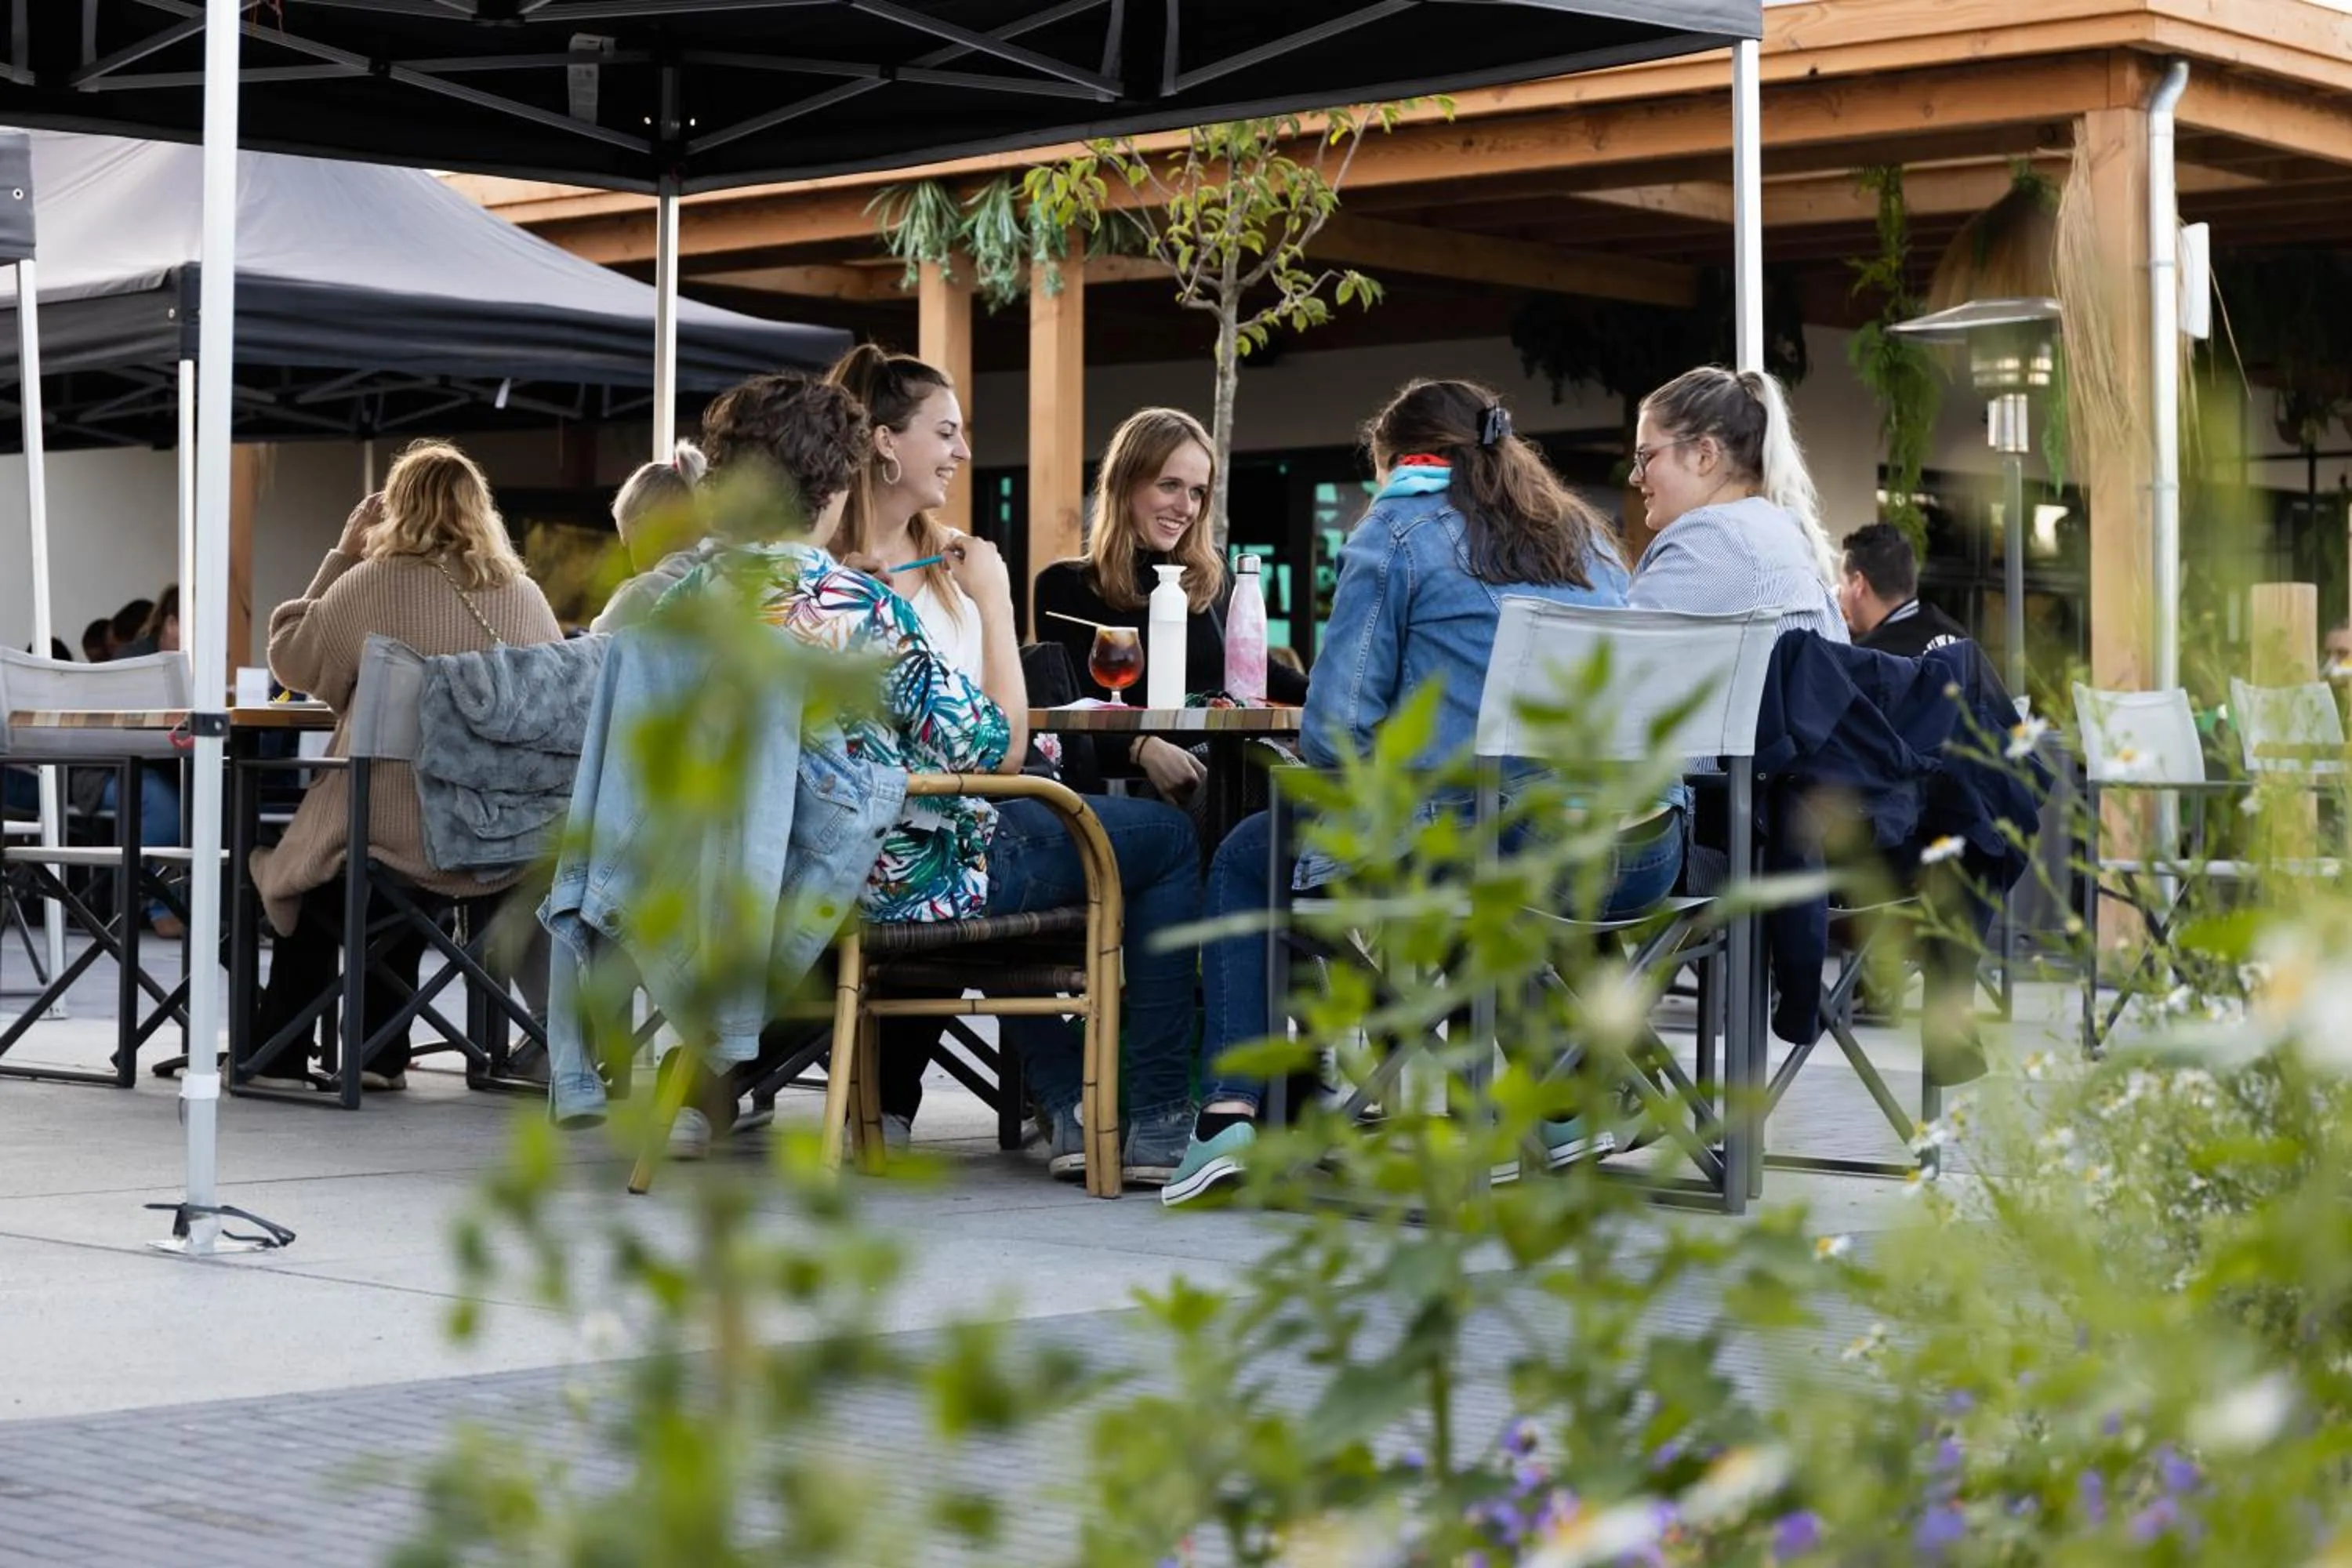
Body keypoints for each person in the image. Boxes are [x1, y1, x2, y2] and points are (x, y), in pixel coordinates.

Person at [661, 371, 1204, 1183]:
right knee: (1153, 839)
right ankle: (1155, 1115)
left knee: (1038, 838)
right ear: (852, 463)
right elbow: (1001, 752)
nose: (961, 450)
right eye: (946, 431)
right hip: (887, 862)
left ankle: (1050, 1100)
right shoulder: (856, 600)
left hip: (751, 867)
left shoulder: (677, 601)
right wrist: (989, 599)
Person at [1163, 379, 1683, 1207]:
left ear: (1401, 461)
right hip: (1641, 844)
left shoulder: (1396, 531)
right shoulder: (1586, 539)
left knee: (1248, 854)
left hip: (1494, 844)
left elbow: (1336, 731)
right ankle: (1566, 1100)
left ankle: (1232, 1115)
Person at [246, 441, 564, 1092]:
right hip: (499, 841)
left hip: (388, 833)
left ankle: (279, 1052)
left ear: (394, 511)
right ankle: (380, 1048)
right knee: (387, 874)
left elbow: (291, 660)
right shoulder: (526, 597)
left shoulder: (371, 581)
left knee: (323, 872)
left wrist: (342, 553)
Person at [1032, 408, 1311, 804]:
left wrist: (1339, 697)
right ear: (1125, 484)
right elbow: (1072, 718)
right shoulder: (1067, 587)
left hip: (1233, 771)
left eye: (1197, 492)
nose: (1186, 507)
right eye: (1170, 486)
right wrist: (1141, 747)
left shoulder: (1211, 574)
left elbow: (1257, 671)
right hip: (1135, 790)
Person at [1623, 366, 1846, 643]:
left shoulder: (1713, 538)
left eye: (1646, 456)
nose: (1635, 477)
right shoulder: (1780, 532)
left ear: (1705, 455)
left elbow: (1613, 661)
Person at [822, 344, 982, 673]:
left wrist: (995, 601)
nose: (963, 453)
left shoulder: (962, 563)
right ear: (885, 441)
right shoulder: (811, 563)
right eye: (946, 433)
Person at [593, 442, 712, 633]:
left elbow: (597, 655)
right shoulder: (732, 575)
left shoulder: (642, 596)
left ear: (640, 526)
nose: (626, 546)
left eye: (626, 536)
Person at [1838, 522, 1968, 655]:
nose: (1838, 594)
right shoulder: (1962, 643)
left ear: (1858, 583)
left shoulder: (1868, 660)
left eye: (1842, 583)